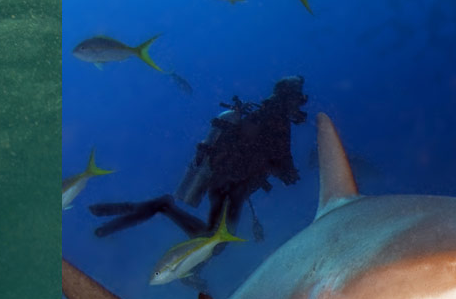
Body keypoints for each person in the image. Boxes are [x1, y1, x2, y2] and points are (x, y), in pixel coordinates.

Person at [89, 76, 308, 240]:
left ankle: (158, 216)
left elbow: (265, 152)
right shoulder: (277, 120)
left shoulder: (261, 113)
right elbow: (278, 157)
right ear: (288, 97)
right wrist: (289, 174)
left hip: (223, 179)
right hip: (232, 184)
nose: (300, 103)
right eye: (299, 98)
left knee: (215, 238)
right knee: (216, 239)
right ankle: (165, 209)